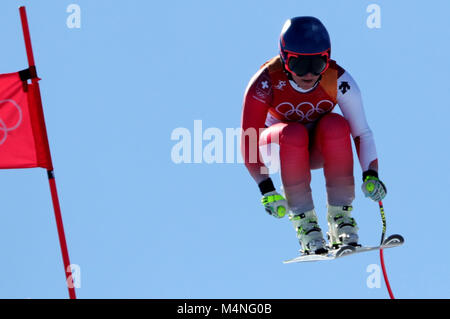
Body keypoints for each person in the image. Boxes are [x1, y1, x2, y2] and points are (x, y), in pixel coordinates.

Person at [240, 16, 387, 255]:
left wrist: (371, 175)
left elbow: (362, 132)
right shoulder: (265, 82)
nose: (308, 75)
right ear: (285, 59)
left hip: (316, 150)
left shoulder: (337, 80)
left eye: (318, 64)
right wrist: (266, 189)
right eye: (299, 65)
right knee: (293, 132)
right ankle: (305, 223)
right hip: (277, 147)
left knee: (336, 124)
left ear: (327, 59)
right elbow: (248, 139)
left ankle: (341, 218)